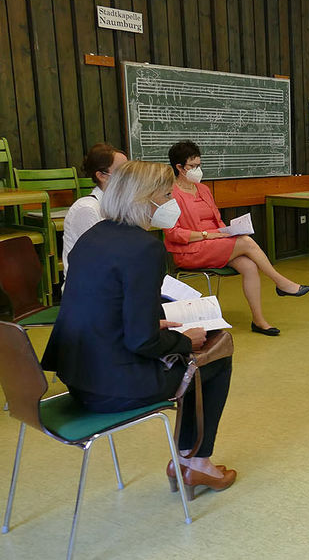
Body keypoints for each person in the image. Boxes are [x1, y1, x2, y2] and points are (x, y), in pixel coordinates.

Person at [42, 161, 236, 494]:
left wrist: (152, 321)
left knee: (194, 355)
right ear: (143, 199)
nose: (170, 203)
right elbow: (141, 341)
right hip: (112, 387)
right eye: (165, 195)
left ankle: (189, 461)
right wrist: (182, 340)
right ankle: (194, 463)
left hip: (78, 376)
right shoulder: (145, 248)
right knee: (216, 356)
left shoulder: (93, 236)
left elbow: (103, 306)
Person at [164, 140, 309, 337]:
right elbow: (173, 233)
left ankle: (259, 321)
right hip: (190, 249)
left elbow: (217, 219)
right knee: (246, 243)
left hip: (215, 244)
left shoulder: (204, 189)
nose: (197, 170)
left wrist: (228, 231)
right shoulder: (170, 193)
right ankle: (280, 282)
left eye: (199, 165)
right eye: (192, 166)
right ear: (179, 167)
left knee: (249, 266)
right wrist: (207, 235)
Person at [61, 143, 128, 276]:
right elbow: (98, 259)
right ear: (102, 176)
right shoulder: (87, 209)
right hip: (88, 289)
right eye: (122, 171)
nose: (129, 176)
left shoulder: (119, 205)